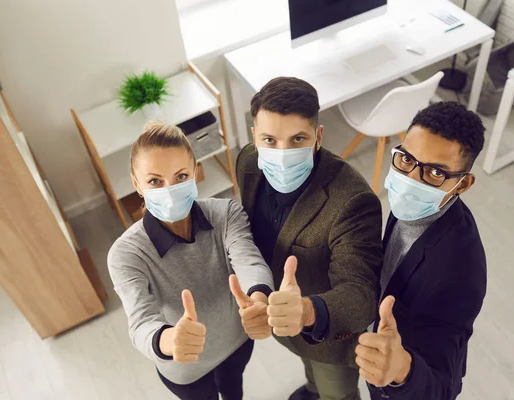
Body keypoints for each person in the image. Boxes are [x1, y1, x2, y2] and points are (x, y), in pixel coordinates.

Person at [236, 77, 383, 400]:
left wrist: (306, 311)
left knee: (337, 394)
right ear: (254, 137)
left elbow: (361, 294)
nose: (282, 153)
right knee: (310, 373)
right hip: (282, 316)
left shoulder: (352, 201)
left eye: (297, 138)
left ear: (318, 136)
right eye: (270, 140)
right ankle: (312, 389)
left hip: (329, 335)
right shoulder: (249, 162)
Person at [107, 122, 274, 400]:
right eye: (155, 181)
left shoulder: (226, 213)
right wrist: (169, 340)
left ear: (196, 173)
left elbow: (249, 261)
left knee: (234, 390)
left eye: (181, 175)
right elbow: (140, 321)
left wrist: (259, 298)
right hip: (184, 367)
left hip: (236, 342)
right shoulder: (126, 254)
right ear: (137, 184)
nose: (169, 189)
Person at [354, 102, 487, 400]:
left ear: (463, 184)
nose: (411, 180)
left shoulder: (460, 272)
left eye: (435, 173)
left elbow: (445, 387)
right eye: (406, 160)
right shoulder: (411, 204)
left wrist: (402, 371)